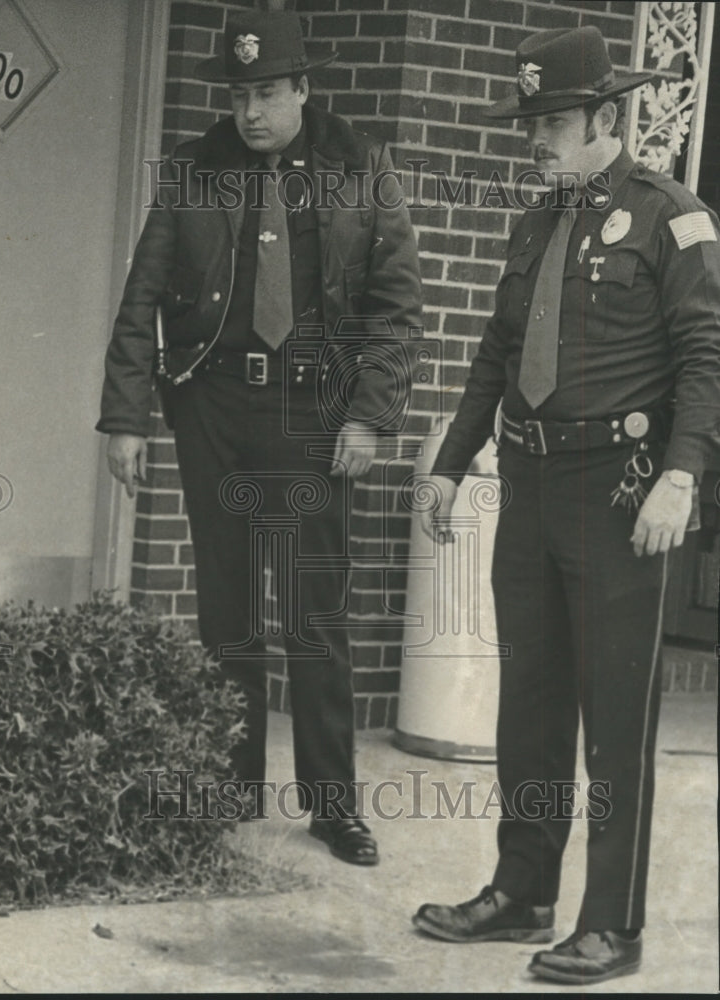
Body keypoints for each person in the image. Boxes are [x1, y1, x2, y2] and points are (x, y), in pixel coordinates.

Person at [412, 25, 720, 984]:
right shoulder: (533, 224)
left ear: (605, 116)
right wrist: (450, 464)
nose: (534, 139)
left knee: (613, 717)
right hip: (531, 484)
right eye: (528, 122)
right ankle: (521, 891)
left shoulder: (671, 217)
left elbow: (707, 357)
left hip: (623, 492)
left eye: (551, 121)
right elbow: (496, 359)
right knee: (532, 704)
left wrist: (681, 475)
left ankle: (611, 923)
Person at [97, 10, 422, 865]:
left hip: (317, 416)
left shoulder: (360, 166)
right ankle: (230, 786)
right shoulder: (193, 170)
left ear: (303, 90)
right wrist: (125, 417)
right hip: (217, 411)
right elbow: (142, 301)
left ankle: (332, 805)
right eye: (239, 95)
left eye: (268, 93)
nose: (251, 112)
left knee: (314, 615)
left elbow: (395, 310)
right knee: (228, 609)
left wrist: (369, 414)